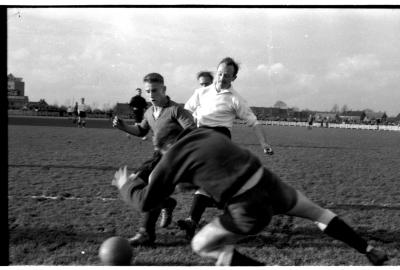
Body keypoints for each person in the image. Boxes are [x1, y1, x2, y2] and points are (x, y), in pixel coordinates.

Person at [112, 125, 389, 266]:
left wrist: (126, 185)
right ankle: (369, 251)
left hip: (248, 206)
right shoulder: (207, 134)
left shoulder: (170, 157)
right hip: (268, 182)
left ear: (164, 147)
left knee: (201, 245)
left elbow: (146, 201)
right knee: (318, 213)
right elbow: (211, 169)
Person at [179, 57, 274, 239]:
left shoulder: (235, 99)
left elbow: (253, 122)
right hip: (199, 139)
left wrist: (264, 143)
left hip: (220, 140)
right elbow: (185, 112)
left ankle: (195, 219)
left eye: (227, 76)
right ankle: (197, 219)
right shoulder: (201, 92)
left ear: (234, 78)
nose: (222, 78)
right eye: (220, 73)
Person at [112, 73, 196, 245]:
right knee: (136, 181)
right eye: (148, 91)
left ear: (164, 89)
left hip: (175, 159)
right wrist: (123, 127)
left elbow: (193, 131)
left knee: (152, 187)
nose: (151, 95)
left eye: (155, 90)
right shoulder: (149, 112)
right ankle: (167, 203)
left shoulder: (176, 110)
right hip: (157, 157)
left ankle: (146, 233)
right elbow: (142, 130)